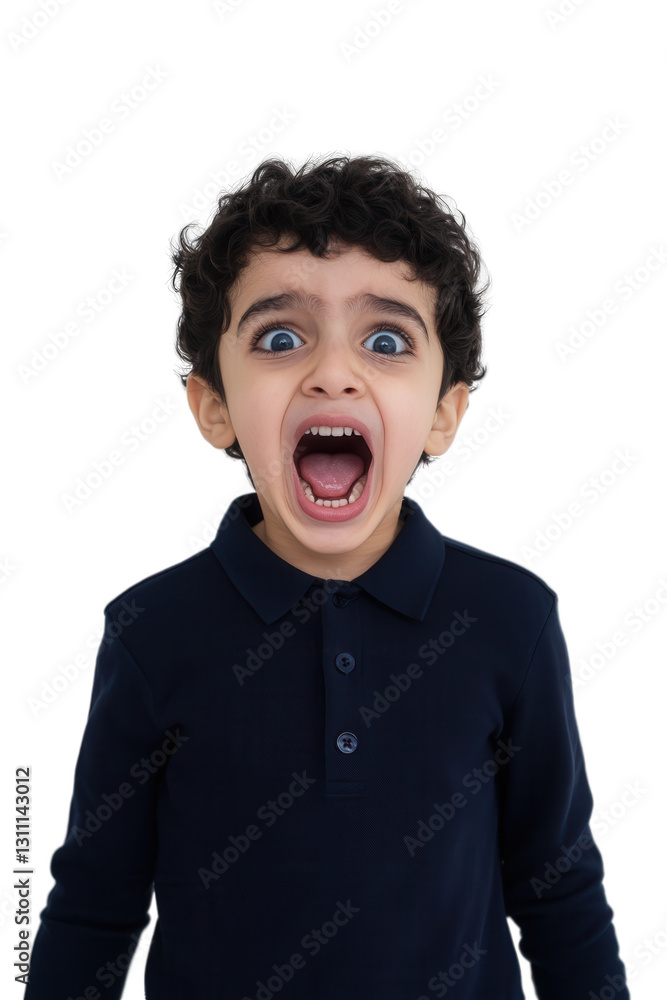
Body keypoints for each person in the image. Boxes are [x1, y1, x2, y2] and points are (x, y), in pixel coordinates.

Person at [24, 154, 630, 999]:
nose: (332, 371)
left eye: (386, 341)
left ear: (444, 413)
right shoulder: (151, 631)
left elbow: (559, 889)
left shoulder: (508, 619)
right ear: (215, 407)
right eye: (280, 337)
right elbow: (94, 904)